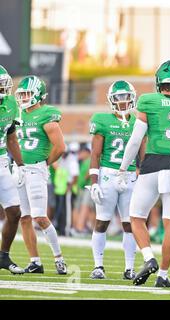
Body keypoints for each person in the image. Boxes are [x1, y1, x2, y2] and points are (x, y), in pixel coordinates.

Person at [119, 60, 170, 288]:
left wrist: (123, 168)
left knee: (136, 217)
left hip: (153, 164)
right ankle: (163, 274)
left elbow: (136, 140)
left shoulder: (149, 101)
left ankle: (149, 258)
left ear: (159, 81)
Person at [88, 80, 144, 280]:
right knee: (102, 221)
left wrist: (142, 176)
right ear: (112, 100)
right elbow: (95, 154)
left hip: (129, 176)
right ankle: (98, 265)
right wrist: (94, 181)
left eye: (126, 97)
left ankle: (129, 268)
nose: (122, 102)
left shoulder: (139, 120)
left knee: (129, 224)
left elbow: (143, 155)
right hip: (108, 175)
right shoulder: (102, 120)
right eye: (118, 98)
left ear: (132, 98)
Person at [15, 75, 67, 275]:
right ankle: (35, 261)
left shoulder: (46, 114)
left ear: (38, 95)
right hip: (18, 170)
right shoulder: (18, 114)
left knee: (40, 217)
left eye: (27, 93)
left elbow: (60, 146)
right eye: (22, 94)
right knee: (24, 218)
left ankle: (59, 258)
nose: (23, 97)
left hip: (36, 169)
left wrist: (45, 163)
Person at [0, 65, 25, 274]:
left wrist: (21, 165)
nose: (3, 91)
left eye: (3, 86)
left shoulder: (9, 103)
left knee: (15, 212)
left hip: (1, 162)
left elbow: (11, 136)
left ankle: (3, 256)